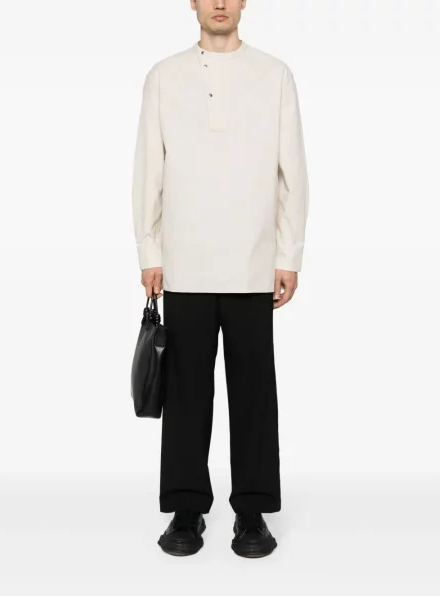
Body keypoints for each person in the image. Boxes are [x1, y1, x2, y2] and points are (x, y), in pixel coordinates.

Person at [131, 0, 309, 559]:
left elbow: (292, 172)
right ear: (192, 1)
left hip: (253, 262)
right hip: (184, 261)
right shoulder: (164, 76)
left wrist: (289, 254)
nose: (220, 3)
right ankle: (186, 509)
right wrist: (149, 249)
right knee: (186, 393)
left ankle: (252, 512)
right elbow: (149, 169)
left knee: (254, 392)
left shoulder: (274, 75)